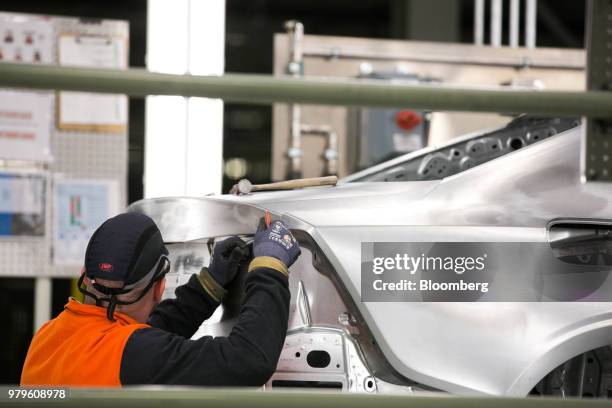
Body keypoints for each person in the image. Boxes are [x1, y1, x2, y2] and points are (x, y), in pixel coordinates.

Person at [20, 212, 300, 386]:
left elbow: (143, 341)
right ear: (159, 287)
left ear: (84, 275)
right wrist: (269, 265)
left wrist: (209, 285)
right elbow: (247, 360)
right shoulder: (132, 354)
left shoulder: (48, 336)